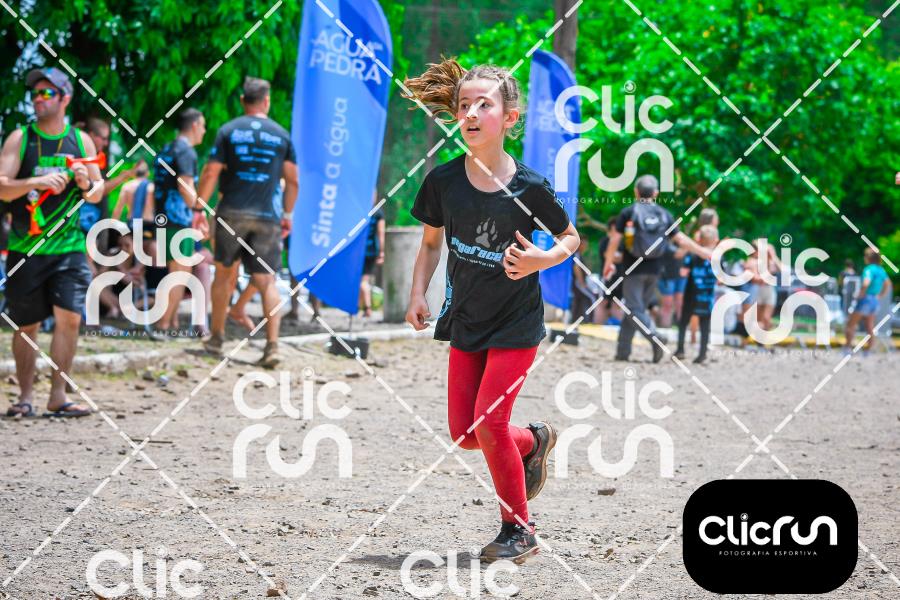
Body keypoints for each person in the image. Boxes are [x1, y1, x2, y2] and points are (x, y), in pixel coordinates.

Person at [403, 59, 580, 563]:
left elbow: (570, 237)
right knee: (465, 434)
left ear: (510, 118)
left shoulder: (530, 187)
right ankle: (533, 442)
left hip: (516, 324)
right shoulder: (442, 181)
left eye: (484, 105)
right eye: (464, 105)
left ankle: (519, 531)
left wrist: (541, 259)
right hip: (466, 320)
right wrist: (417, 294)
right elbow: (430, 245)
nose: (471, 114)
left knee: (489, 421)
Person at [0, 67, 104, 418]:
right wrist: (36, 182)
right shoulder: (20, 138)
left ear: (65, 99)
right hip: (26, 248)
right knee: (27, 325)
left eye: (47, 93)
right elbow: (2, 187)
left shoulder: (81, 140)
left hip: (69, 247)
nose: (38, 99)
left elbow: (97, 191)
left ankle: (58, 396)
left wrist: (86, 183)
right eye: (35, 93)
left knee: (70, 318)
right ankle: (25, 396)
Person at [198, 77, 299, 368]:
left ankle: (216, 338)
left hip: (231, 213)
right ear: (266, 101)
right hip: (268, 217)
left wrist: (198, 207)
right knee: (267, 281)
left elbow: (210, 172)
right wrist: (287, 215)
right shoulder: (281, 135)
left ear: (243, 101)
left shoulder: (228, 131)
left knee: (223, 275)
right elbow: (293, 181)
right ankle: (272, 346)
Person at [602, 175, 717, 362]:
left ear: (636, 192)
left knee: (633, 309)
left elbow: (615, 239)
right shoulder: (664, 214)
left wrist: (608, 263)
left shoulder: (629, 212)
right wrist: (703, 251)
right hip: (655, 269)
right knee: (636, 310)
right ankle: (622, 352)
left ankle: (656, 337)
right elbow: (680, 239)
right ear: (656, 193)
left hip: (633, 269)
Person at [152, 108, 207, 333]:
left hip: (162, 219)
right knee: (181, 275)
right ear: (194, 125)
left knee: (174, 273)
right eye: (203, 126)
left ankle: (171, 322)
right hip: (178, 220)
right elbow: (185, 187)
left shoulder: (166, 149)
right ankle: (163, 325)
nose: (204, 131)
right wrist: (199, 210)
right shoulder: (186, 151)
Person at [674, 225, 719, 363]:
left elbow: (683, 272)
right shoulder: (717, 257)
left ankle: (680, 350)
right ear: (716, 240)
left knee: (683, 322)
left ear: (699, 239)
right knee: (705, 325)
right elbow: (721, 278)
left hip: (691, 294)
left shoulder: (693, 255)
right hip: (707, 296)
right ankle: (702, 353)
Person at [843, 248, 890, 354]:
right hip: (875, 301)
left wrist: (860, 294)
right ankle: (868, 350)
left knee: (850, 324)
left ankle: (847, 348)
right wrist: (880, 295)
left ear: (868, 258)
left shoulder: (869, 269)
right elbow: (887, 284)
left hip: (866, 299)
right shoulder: (881, 270)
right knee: (869, 326)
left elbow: (866, 283)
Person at [360, 198, 385, 318]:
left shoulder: (359, 209)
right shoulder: (378, 212)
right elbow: (381, 233)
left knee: (362, 281)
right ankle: (367, 307)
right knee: (364, 281)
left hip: (359, 251)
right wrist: (381, 252)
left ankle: (366, 307)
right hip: (370, 251)